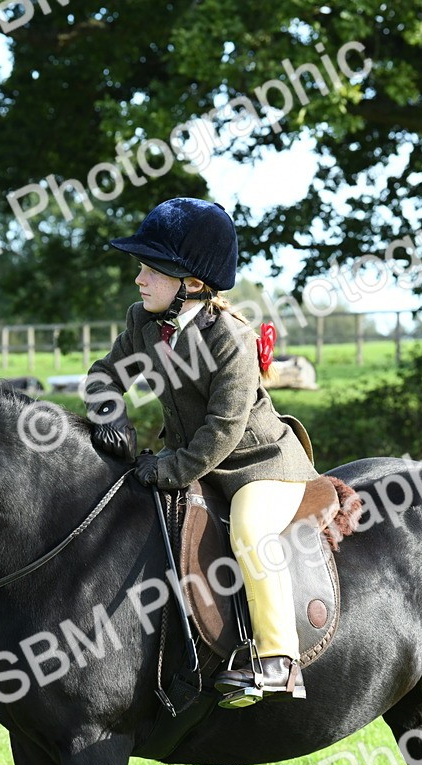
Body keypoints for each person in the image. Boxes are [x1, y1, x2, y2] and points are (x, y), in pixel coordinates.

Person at [82, 197, 320, 706]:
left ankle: (279, 661)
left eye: (152, 270)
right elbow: (105, 374)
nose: (139, 280)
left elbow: (222, 430)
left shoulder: (231, 339)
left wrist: (168, 469)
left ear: (190, 284)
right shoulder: (144, 322)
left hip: (259, 466)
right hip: (193, 463)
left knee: (251, 530)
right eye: (141, 268)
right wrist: (108, 411)